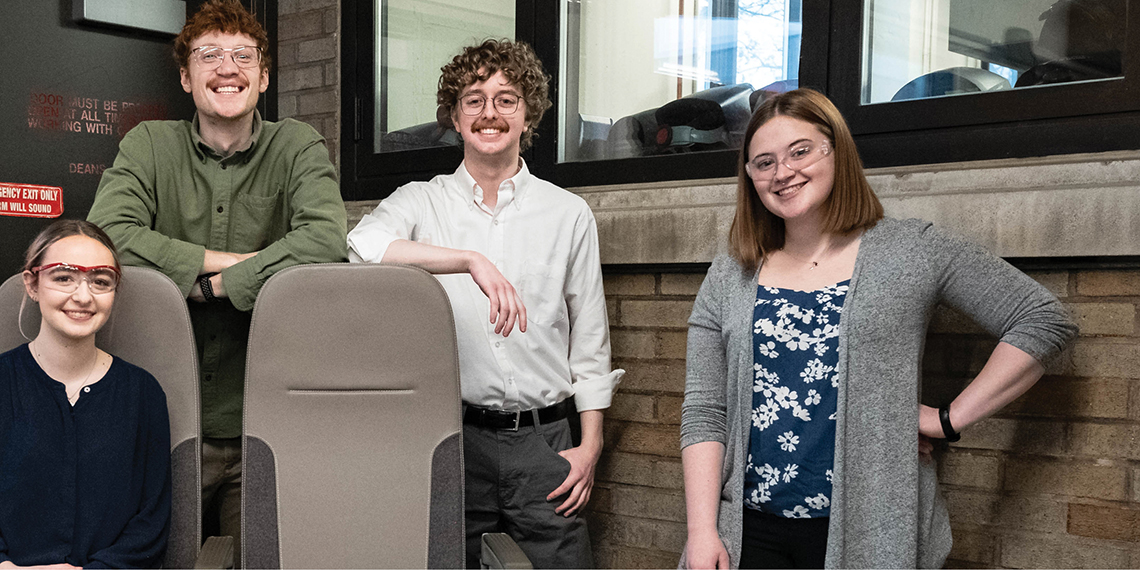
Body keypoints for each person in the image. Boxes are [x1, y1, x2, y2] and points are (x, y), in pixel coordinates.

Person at [679, 88, 1076, 569]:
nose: (783, 172)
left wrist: (946, 419)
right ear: (749, 177)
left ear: (836, 150)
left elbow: (1042, 318)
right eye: (764, 162)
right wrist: (702, 532)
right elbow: (705, 408)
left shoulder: (911, 249)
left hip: (870, 527)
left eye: (800, 151)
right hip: (747, 531)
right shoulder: (732, 272)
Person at [86, 0, 347, 558]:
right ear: (186, 77)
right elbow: (110, 234)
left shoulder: (296, 145)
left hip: (267, 419)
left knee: (262, 558)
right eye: (209, 55)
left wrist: (211, 285)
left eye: (242, 55)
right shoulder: (149, 146)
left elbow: (325, 241)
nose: (226, 67)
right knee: (155, 558)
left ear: (264, 76)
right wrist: (242, 262)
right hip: (163, 421)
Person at [347, 39, 622, 568]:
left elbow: (590, 342)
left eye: (506, 99)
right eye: (473, 99)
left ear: (528, 114)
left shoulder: (568, 214)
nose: (489, 113)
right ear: (454, 115)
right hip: (455, 439)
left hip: (547, 443)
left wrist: (590, 448)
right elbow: (362, 246)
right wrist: (468, 260)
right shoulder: (421, 200)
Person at [0, 220, 171, 569]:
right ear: (32, 284)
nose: (82, 296)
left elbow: (151, 523)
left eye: (100, 281)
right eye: (63, 277)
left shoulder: (142, 393)